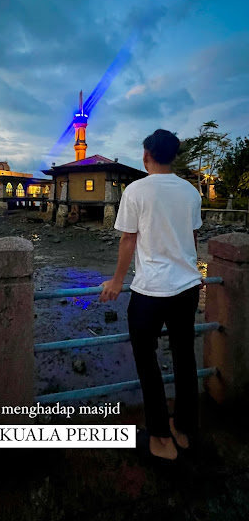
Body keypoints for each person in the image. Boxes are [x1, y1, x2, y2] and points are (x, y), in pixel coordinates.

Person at [100, 129, 203, 461]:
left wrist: (116, 281)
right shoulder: (190, 192)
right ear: (172, 156)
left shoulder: (136, 191)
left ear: (146, 154)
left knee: (148, 363)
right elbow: (192, 238)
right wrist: (197, 274)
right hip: (187, 288)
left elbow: (128, 240)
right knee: (185, 357)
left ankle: (160, 437)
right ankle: (185, 428)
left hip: (149, 292)